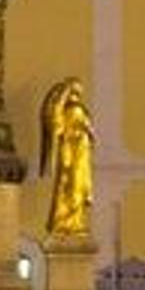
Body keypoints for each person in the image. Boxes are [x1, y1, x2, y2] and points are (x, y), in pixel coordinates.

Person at [39, 77, 94, 236]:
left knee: (76, 186)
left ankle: (74, 221)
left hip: (80, 152)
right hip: (71, 151)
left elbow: (89, 130)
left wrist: (86, 132)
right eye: (74, 92)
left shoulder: (79, 110)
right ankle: (65, 221)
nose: (77, 96)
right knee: (70, 184)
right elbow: (58, 127)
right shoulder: (71, 110)